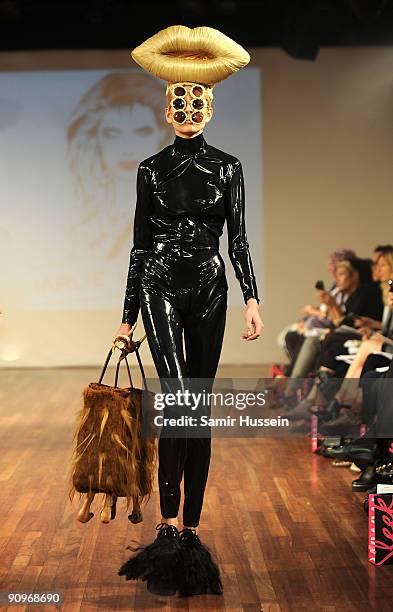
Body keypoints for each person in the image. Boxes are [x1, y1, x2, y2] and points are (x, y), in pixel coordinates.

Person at [114, 25, 263, 597]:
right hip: (158, 285)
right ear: (165, 107)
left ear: (210, 106)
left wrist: (252, 297)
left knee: (194, 404)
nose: (187, 108)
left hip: (209, 285)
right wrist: (127, 318)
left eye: (196, 99)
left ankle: (188, 531)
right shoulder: (150, 171)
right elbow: (140, 245)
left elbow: (239, 241)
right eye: (178, 99)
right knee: (177, 397)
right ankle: (168, 527)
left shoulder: (228, 169)